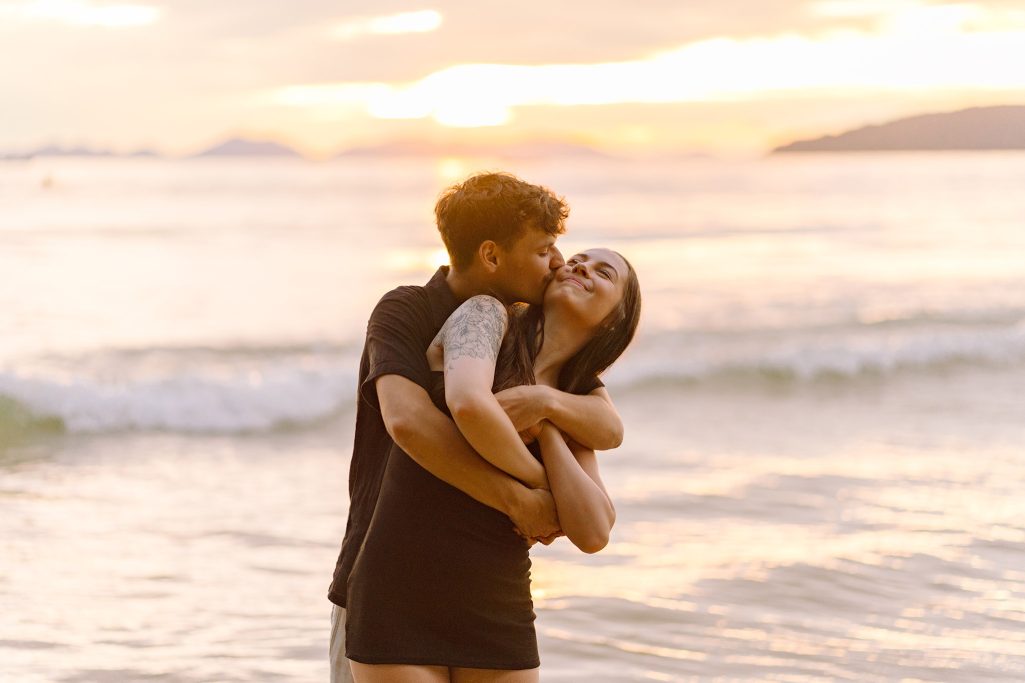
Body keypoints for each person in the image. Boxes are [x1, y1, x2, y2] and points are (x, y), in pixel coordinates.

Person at [327, 172, 626, 683]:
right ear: (492, 256)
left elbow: (606, 428)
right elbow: (411, 422)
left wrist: (546, 405)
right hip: (383, 567)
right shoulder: (412, 311)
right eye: (544, 250)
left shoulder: (532, 346)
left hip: (487, 587)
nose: (559, 262)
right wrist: (527, 494)